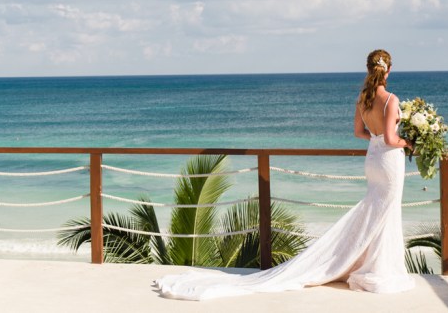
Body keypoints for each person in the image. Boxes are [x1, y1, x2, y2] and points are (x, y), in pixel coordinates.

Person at [155, 49, 415, 299]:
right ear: (388, 71)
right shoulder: (390, 100)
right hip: (389, 161)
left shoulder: (363, 99)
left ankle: (367, 262)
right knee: (386, 210)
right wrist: (409, 143)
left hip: (372, 159)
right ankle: (379, 267)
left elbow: (359, 132)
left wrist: (375, 138)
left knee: (375, 209)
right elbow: (392, 138)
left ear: (369, 69)